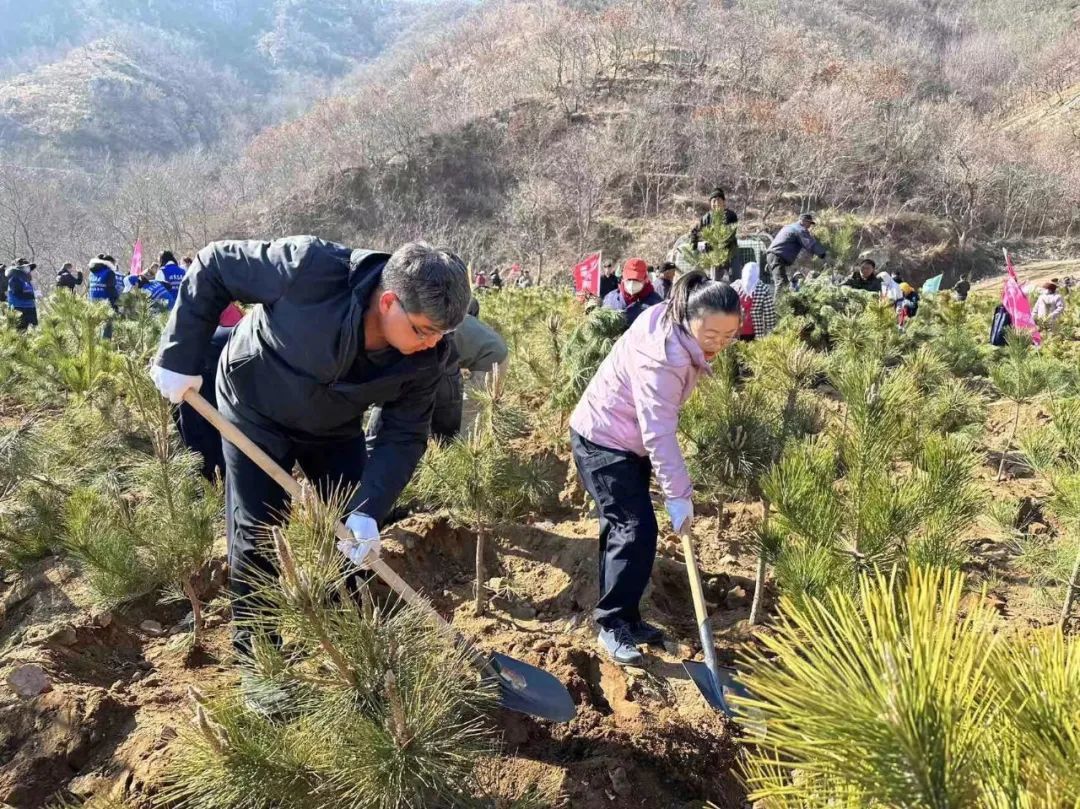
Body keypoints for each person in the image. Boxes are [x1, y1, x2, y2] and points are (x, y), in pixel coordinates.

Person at [149, 237, 471, 665]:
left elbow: (404, 432)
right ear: (389, 301)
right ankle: (259, 660)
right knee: (260, 532)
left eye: (443, 333)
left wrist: (369, 508)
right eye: (423, 330)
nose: (433, 343)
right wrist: (178, 353)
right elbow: (216, 264)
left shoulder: (429, 356)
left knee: (352, 537)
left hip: (333, 427)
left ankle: (353, 647)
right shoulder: (310, 269)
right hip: (253, 407)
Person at [571, 271, 742, 665]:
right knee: (634, 529)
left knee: (626, 529)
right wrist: (679, 495)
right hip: (603, 439)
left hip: (623, 436)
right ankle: (611, 625)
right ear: (688, 317)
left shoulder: (673, 318)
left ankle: (626, 616)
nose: (718, 344)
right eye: (710, 334)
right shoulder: (663, 357)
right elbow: (659, 433)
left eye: (728, 336)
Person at [765, 212, 827, 288]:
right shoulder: (799, 229)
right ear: (802, 221)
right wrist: (823, 254)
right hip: (777, 257)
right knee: (781, 283)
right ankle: (779, 300)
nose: (809, 226)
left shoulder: (789, 227)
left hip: (774, 256)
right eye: (809, 223)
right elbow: (810, 244)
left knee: (784, 283)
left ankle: (784, 299)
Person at [690, 187, 739, 280]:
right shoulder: (706, 218)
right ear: (710, 203)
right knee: (714, 281)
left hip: (730, 253)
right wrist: (701, 245)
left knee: (735, 279)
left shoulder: (731, 215)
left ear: (724, 202)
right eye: (713, 200)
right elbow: (694, 234)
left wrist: (718, 242)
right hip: (714, 255)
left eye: (718, 200)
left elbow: (731, 234)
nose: (716, 203)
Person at [602, 258, 663, 326]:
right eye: (629, 279)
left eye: (637, 280)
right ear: (623, 279)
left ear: (645, 279)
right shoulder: (610, 298)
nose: (632, 284)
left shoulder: (656, 304)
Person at [731, 261, 777, 341]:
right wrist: (771, 332)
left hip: (735, 330)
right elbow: (769, 314)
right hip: (755, 331)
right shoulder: (763, 288)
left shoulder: (735, 286)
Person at [6, 259, 38, 329]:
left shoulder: (27, 278)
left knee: (33, 330)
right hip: (19, 308)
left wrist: (35, 293)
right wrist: (32, 295)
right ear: (20, 268)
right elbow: (17, 293)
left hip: (30, 307)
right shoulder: (14, 277)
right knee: (20, 330)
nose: (28, 269)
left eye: (29, 267)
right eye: (26, 267)